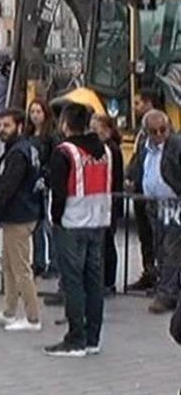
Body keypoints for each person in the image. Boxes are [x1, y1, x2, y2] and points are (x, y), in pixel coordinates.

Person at [44, 103, 112, 357]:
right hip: (98, 221)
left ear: (65, 124)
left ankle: (75, 338)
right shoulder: (105, 150)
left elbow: (58, 192)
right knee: (94, 281)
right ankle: (93, 336)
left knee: (73, 282)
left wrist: (56, 218)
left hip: (72, 222)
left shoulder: (65, 152)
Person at [0, 108, 43, 332]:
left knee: (21, 269)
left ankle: (32, 317)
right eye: (0, 125)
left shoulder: (19, 153)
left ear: (19, 126)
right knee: (9, 265)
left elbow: (9, 187)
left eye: (7, 125)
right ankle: (8, 310)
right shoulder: (23, 149)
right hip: (18, 214)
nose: (2, 130)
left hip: (19, 215)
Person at [127, 110, 181, 314]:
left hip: (174, 205)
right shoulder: (144, 147)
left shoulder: (176, 145)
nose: (159, 134)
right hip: (153, 205)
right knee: (159, 247)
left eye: (163, 130)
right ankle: (168, 287)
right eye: (154, 131)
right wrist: (132, 180)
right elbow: (137, 167)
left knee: (171, 249)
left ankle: (167, 295)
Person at [126, 88, 163, 291]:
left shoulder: (159, 128)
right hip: (139, 190)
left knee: (157, 236)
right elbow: (137, 158)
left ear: (149, 103)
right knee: (145, 236)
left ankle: (162, 277)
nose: (135, 107)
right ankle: (148, 273)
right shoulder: (141, 131)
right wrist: (130, 176)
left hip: (154, 194)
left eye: (138, 103)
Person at [90, 114, 124, 295]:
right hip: (102, 201)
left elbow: (113, 177)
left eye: (96, 129)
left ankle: (108, 282)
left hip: (109, 201)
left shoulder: (111, 150)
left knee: (107, 243)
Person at [27, 98, 60, 279]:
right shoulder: (29, 134)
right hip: (32, 184)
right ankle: (38, 261)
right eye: (32, 112)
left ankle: (53, 263)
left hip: (45, 184)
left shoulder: (51, 136)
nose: (35, 116)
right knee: (36, 225)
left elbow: (55, 160)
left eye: (38, 112)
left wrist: (45, 176)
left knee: (47, 224)